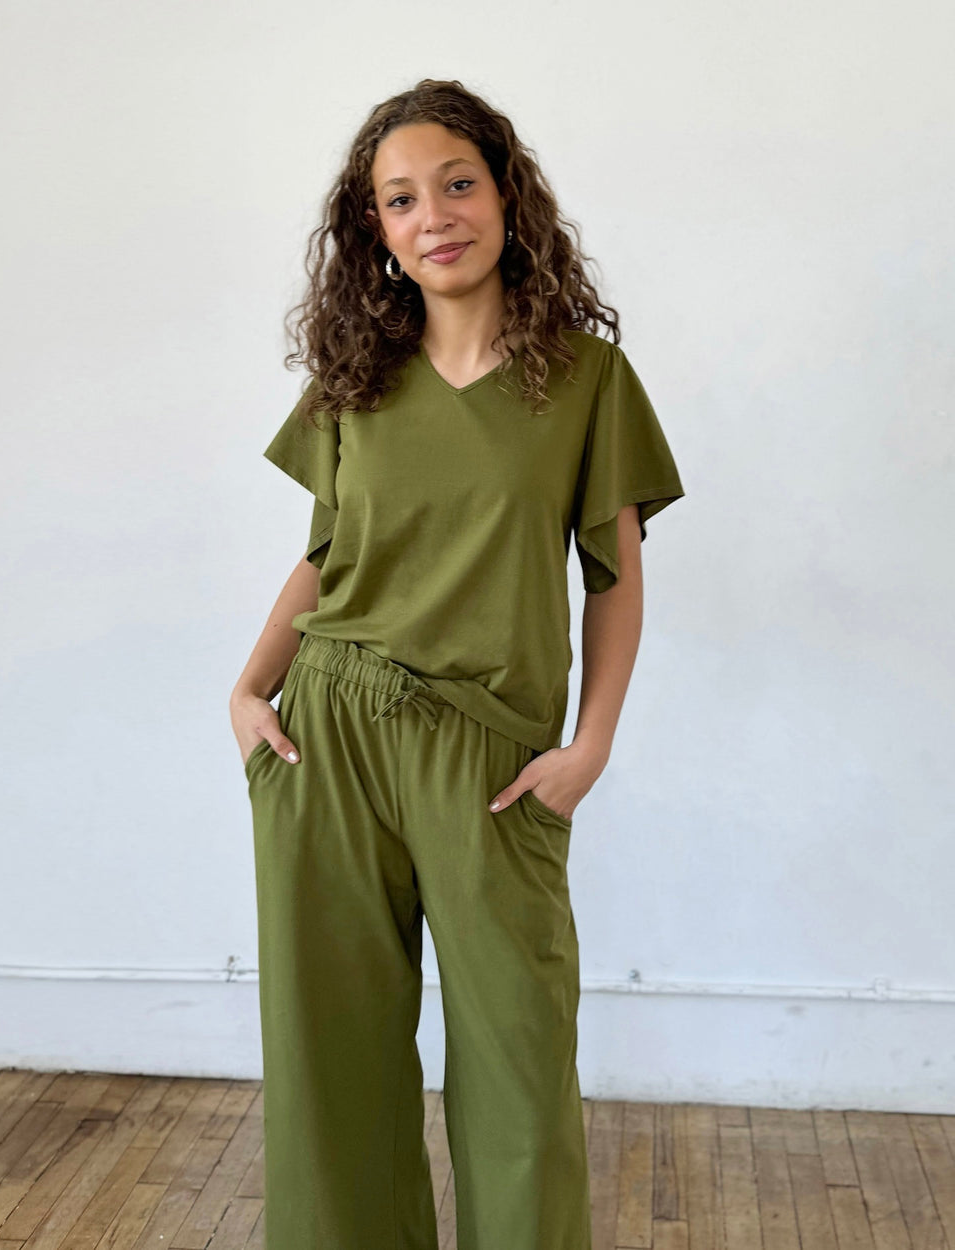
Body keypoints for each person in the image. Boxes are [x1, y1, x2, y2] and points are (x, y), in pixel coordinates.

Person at [229, 78, 685, 1250]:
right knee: (330, 1056)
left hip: (488, 754)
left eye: (456, 183)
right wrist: (248, 687)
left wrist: (589, 746)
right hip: (328, 732)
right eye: (399, 199)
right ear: (374, 231)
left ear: (506, 195)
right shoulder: (354, 379)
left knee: (518, 1060)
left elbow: (615, 577)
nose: (432, 215)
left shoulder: (585, 380)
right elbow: (327, 556)